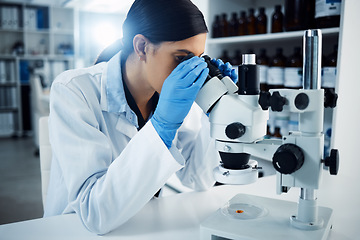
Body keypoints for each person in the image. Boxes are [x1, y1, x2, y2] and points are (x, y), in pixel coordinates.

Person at [44, 0, 237, 235]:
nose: (192, 71)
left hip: (141, 225)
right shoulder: (74, 89)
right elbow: (94, 212)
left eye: (198, 59)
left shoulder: (173, 94)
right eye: (181, 59)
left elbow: (198, 179)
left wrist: (217, 112)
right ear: (142, 46)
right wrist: (161, 127)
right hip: (75, 231)